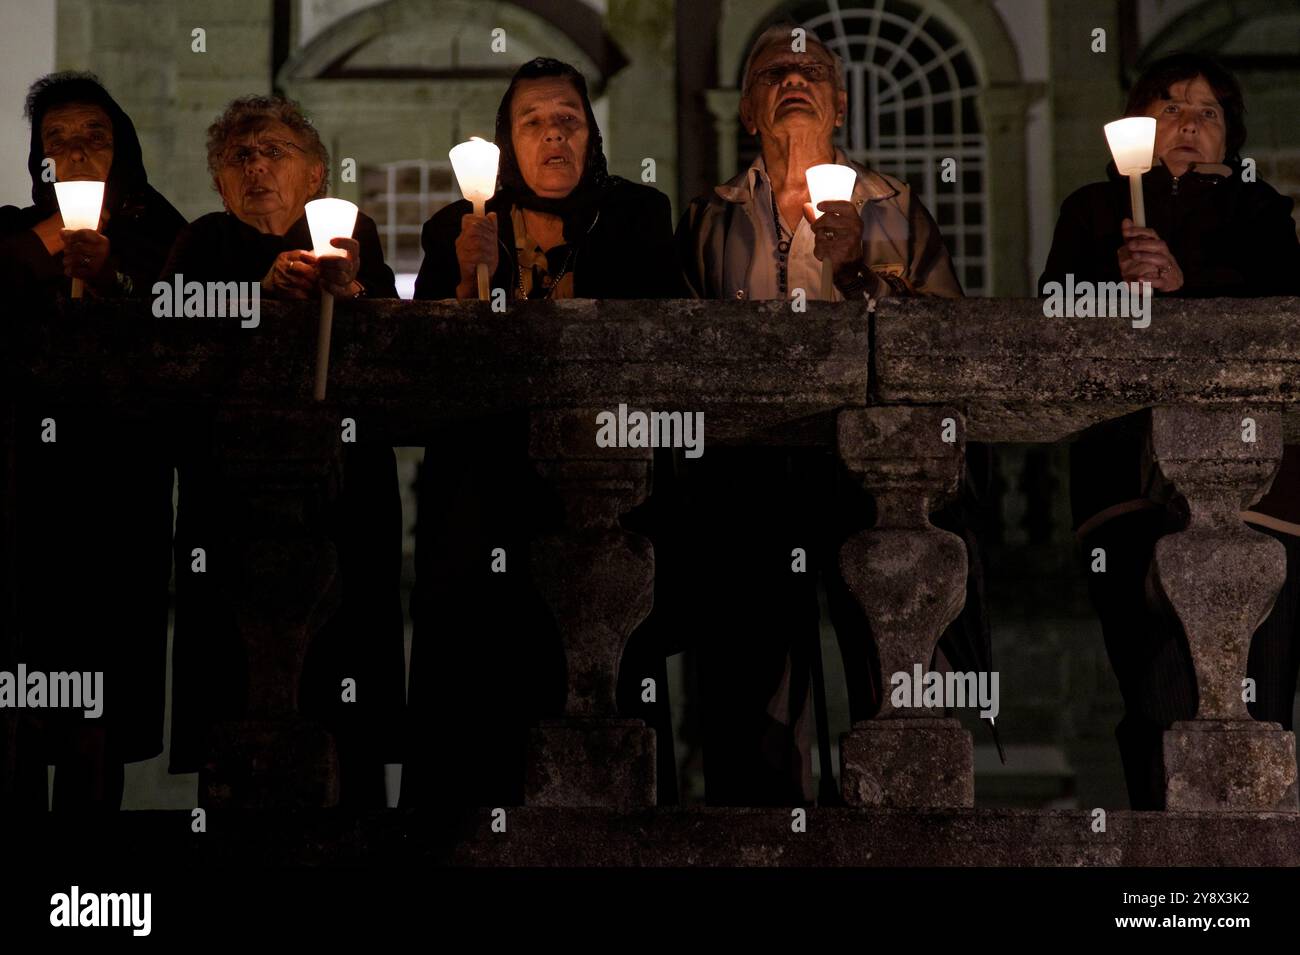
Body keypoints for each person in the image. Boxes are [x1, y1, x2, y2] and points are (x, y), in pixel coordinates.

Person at [674, 25, 994, 806]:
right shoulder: (708, 220)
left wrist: (860, 275)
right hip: (750, 480)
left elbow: (948, 344)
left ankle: (905, 835)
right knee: (756, 692)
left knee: (893, 670)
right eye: (774, 72)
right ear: (748, 110)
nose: (794, 79)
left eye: (812, 70)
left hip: (872, 477)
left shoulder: (894, 208)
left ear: (841, 103)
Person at [404, 57, 687, 808]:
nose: (553, 134)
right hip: (482, 501)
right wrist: (466, 285)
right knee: (478, 713)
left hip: (604, 498)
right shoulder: (456, 227)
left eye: (568, 118)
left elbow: (657, 345)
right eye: (532, 122)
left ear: (591, 136)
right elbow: (427, 377)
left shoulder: (636, 215)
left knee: (601, 695)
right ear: (507, 143)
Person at [1040, 52, 1300, 809]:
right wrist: (1110, 292)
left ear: (1231, 139)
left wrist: (1186, 286)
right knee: (1155, 690)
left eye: (1208, 111)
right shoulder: (1093, 209)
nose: (1189, 122)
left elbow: (1280, 313)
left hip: (1263, 490)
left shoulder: (1260, 212)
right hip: (1127, 482)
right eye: (1170, 106)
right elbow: (1050, 322)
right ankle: (1164, 859)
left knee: (1261, 692)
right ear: (1138, 125)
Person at [161, 95, 405, 807]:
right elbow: (170, 320)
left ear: (316, 174)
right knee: (238, 686)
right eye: (241, 155)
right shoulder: (205, 242)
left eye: (274, 151)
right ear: (219, 182)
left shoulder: (350, 232)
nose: (257, 165)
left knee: (345, 673)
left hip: (344, 490)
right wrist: (254, 295)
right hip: (230, 496)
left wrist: (350, 288)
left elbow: (394, 336)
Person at [0, 72, 185, 810]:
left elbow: (183, 309)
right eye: (58, 141)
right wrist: (45, 246)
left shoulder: (158, 230)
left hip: (117, 487)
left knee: (100, 685)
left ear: (123, 149)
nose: (75, 153)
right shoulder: (15, 227)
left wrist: (118, 278)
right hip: (23, 484)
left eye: (94, 138)